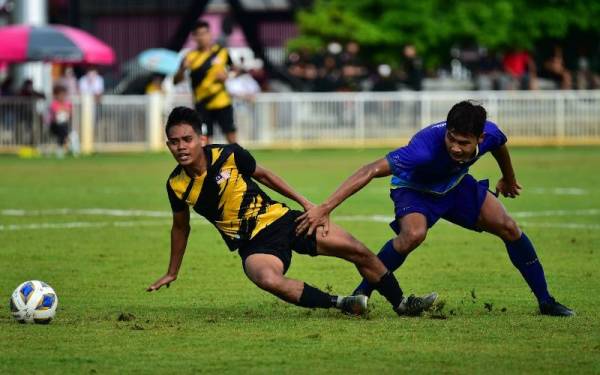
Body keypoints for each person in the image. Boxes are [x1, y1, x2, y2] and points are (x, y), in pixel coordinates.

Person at [147, 106, 437, 317]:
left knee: (357, 250)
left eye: (186, 139)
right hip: (253, 244)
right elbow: (180, 228)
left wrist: (307, 205)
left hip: (285, 220)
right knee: (266, 278)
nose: (180, 147)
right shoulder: (176, 186)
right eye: (174, 142)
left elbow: (266, 176)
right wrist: (172, 271)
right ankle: (342, 303)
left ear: (201, 139)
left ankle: (401, 304)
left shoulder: (229, 154)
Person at [296, 100, 574, 317]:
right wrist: (326, 207)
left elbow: (500, 145)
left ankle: (546, 302)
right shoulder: (423, 149)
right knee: (412, 236)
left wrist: (509, 179)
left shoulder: (490, 134)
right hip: (414, 189)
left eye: (463, 143)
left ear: (479, 138)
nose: (454, 147)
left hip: (454, 186)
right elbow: (369, 169)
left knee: (510, 228)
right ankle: (360, 295)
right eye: (451, 139)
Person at [174, 21, 237, 144]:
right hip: (201, 104)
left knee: (231, 138)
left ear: (210, 34)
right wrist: (182, 69)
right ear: (194, 37)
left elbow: (236, 70)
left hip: (222, 101)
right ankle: (210, 163)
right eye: (198, 34)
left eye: (204, 33)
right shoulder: (189, 56)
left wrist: (227, 76)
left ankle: (239, 162)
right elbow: (176, 81)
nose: (202, 37)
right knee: (205, 140)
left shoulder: (221, 52)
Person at [48, 85, 72, 158]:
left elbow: (69, 113)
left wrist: (62, 110)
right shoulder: (53, 103)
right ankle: (61, 147)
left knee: (63, 128)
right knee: (62, 128)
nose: (62, 96)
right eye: (60, 94)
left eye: (63, 94)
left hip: (64, 125)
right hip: (54, 126)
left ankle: (61, 148)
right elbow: (55, 115)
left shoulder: (68, 103)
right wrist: (63, 110)